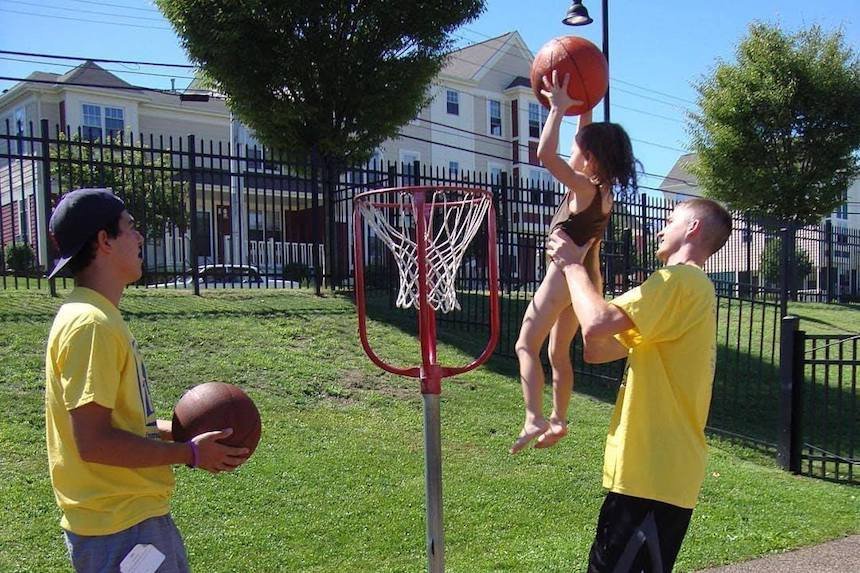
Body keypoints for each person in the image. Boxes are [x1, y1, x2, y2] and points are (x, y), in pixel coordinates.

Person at [44, 188, 249, 573]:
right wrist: (190, 454)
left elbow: (122, 427)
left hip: (129, 520)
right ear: (104, 241)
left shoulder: (96, 316)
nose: (140, 238)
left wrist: (187, 432)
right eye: (131, 227)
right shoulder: (90, 324)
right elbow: (93, 442)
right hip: (120, 527)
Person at [546, 198, 732, 572]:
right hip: (649, 474)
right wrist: (586, 263)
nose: (660, 228)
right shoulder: (682, 293)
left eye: (669, 220)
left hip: (653, 473)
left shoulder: (679, 280)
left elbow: (596, 323)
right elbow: (596, 349)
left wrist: (568, 263)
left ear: (692, 228)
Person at [510, 71, 639, 453]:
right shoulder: (603, 192)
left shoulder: (584, 189)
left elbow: (545, 155)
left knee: (524, 346)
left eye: (579, 150)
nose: (573, 153)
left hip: (562, 278)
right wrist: (584, 107)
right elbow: (578, 143)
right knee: (557, 352)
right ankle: (559, 419)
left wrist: (557, 109)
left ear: (591, 158)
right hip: (585, 279)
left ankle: (534, 416)